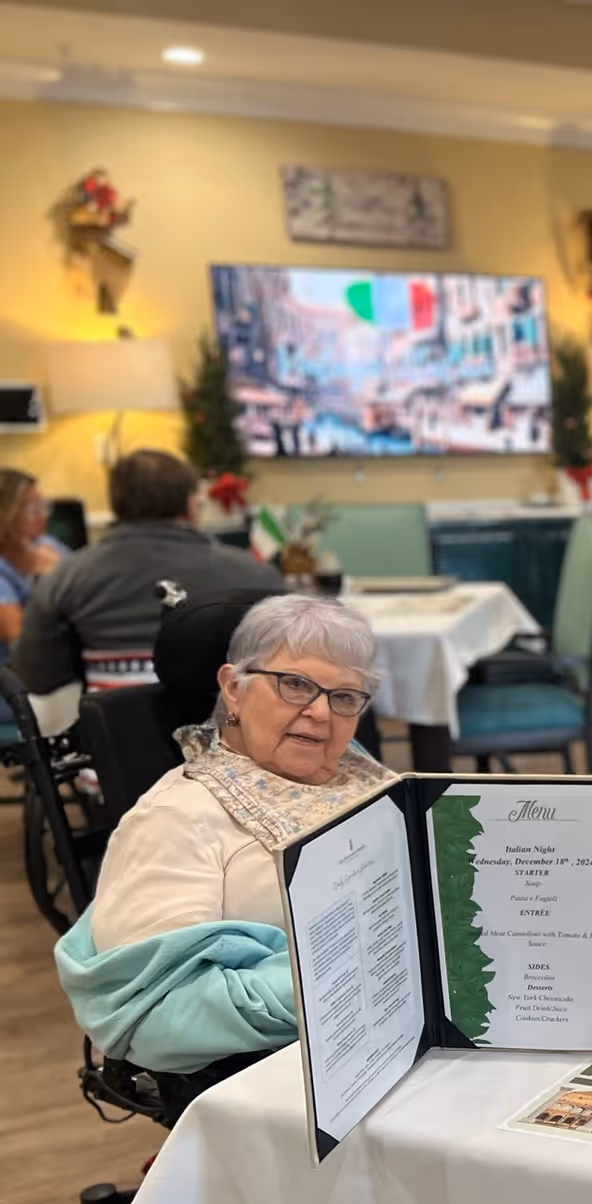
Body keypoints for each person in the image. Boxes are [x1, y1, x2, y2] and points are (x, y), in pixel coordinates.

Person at [56, 594, 393, 1074]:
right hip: (298, 1073)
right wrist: (351, 975)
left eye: (344, 697)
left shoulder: (356, 769)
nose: (321, 712)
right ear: (234, 687)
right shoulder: (176, 817)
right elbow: (152, 1017)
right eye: (295, 685)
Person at [13, 449, 282, 695]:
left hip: (114, 738)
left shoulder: (65, 578)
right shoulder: (256, 575)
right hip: (230, 734)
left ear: (117, 505)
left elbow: (35, 678)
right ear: (190, 505)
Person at [0, 468, 69, 669]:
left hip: (54, 671)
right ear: (6, 515)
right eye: (33, 509)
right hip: (12, 682)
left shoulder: (46, 544)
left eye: (43, 505)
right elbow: (20, 640)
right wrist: (48, 579)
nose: (44, 515)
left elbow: (89, 588)